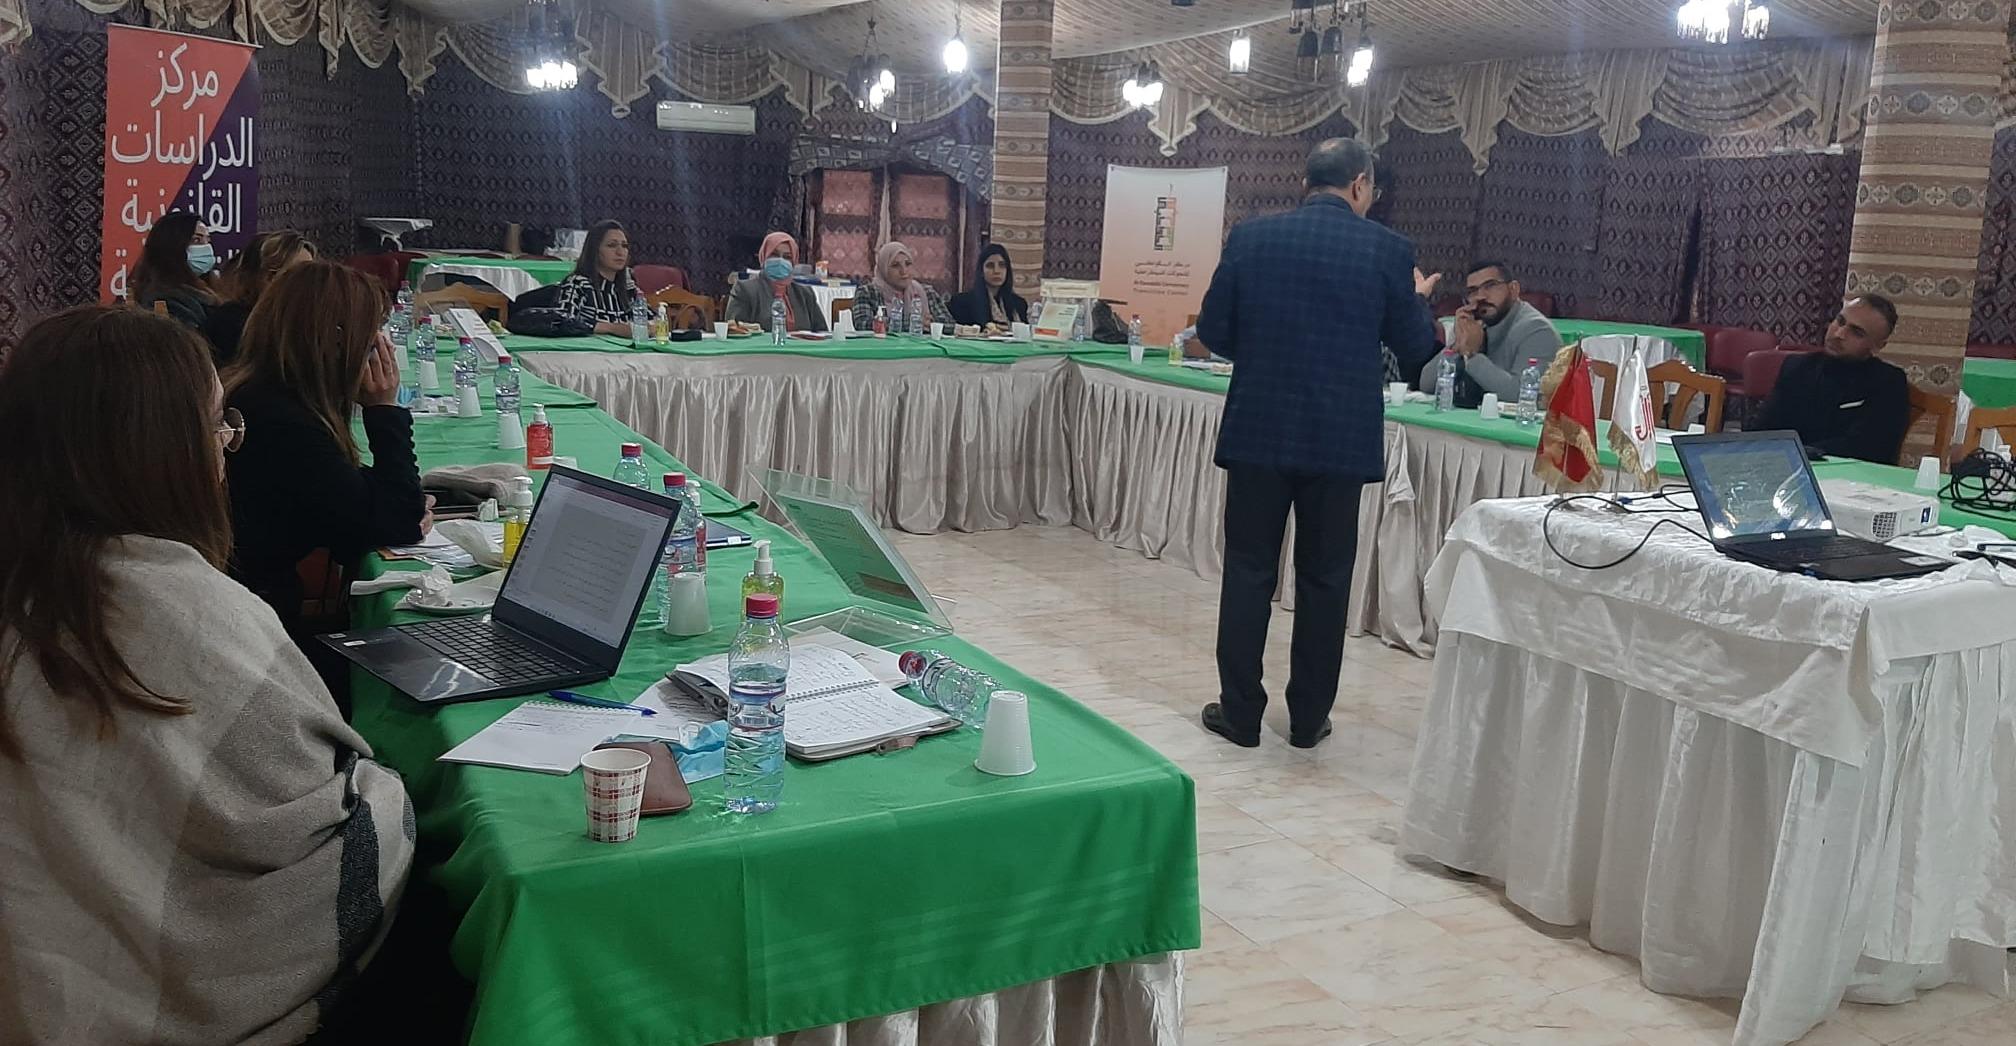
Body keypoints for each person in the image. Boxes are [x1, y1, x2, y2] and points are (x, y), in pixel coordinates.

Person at [0, 304, 413, 1044]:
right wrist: (391, 798)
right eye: (218, 424)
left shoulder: (33, 579)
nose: (227, 447)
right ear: (157, 449)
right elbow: (316, 839)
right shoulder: (183, 614)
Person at [1194, 137, 1440, 750]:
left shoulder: (1251, 238)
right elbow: (1417, 348)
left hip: (1259, 429)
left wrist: (1266, 354)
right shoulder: (1388, 250)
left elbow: (1215, 329)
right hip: (1338, 439)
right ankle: (1307, 721)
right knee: (1326, 580)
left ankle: (1241, 714)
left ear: (1307, 182)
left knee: (1248, 572)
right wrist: (1417, 300)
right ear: (1360, 184)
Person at [223, 260, 431, 686]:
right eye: (373, 334)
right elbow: (395, 522)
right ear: (337, 338)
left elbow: (343, 495)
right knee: (409, 668)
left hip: (253, 610)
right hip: (256, 637)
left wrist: (390, 500)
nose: (381, 347)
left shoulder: (262, 392)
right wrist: (384, 410)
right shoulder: (283, 422)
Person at [1753, 294, 1911, 464]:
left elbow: (1869, 448)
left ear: (1878, 346)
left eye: (1857, 332)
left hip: (1849, 473)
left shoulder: (1889, 382)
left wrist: (1800, 452)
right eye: (1840, 321)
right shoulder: (1797, 367)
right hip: (1785, 466)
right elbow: (1763, 428)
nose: (1839, 334)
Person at [1415, 260, 1563, 401]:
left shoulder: (1538, 330)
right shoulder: (1476, 323)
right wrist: (1457, 346)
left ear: (1514, 289)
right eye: (1473, 291)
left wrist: (1472, 356)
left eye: (1490, 286)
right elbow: (1426, 385)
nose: (1480, 296)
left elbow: (1521, 395)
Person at [202, 229, 317, 365]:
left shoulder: (305, 325)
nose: (307, 284)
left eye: (311, 275)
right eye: (299, 275)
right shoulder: (231, 325)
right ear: (268, 277)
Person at [129, 210, 216, 329]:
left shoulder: (207, 291)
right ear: (173, 247)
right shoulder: (166, 300)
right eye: (196, 240)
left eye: (208, 240)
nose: (207, 247)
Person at [726, 231, 827, 332]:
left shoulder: (805, 294)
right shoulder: (745, 290)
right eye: (774, 254)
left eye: (787, 257)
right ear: (764, 256)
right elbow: (735, 330)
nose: (780, 261)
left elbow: (822, 332)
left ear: (794, 262)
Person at [554, 219, 641, 335]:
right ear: (594, 250)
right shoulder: (577, 284)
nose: (620, 252)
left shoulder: (629, 288)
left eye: (624, 246)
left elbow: (651, 319)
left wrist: (651, 326)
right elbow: (560, 320)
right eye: (612, 245)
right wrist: (612, 328)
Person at [850, 241, 954, 331]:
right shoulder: (868, 292)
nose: (904, 271)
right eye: (895, 265)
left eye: (908, 264)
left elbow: (950, 324)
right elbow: (862, 324)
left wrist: (931, 323)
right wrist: (911, 324)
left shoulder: (926, 292)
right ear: (883, 269)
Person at [948, 243, 1030, 330]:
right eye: (990, 266)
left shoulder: (1019, 304)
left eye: (1002, 265)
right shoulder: (963, 303)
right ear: (981, 271)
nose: (996, 271)